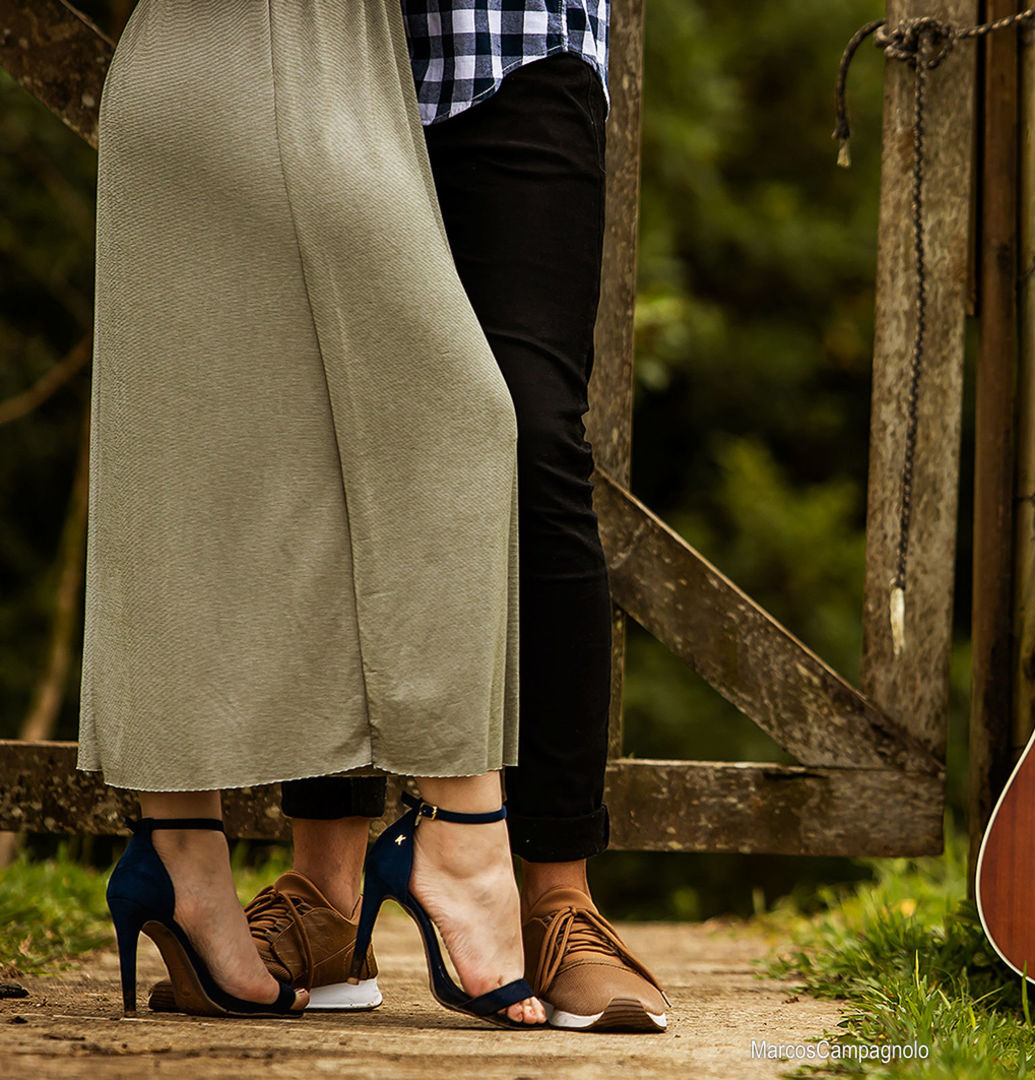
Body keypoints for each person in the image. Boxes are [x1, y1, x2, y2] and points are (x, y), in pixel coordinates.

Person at [141, 1, 669, 1033]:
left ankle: (555, 894)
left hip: (510, 42)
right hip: (311, 51)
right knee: (319, 447)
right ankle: (325, 889)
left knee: (528, 438)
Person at [81, 0, 544, 1027]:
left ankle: (179, 856)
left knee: (193, 458)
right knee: (452, 421)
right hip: (262, 60)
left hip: (302, 68)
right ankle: (463, 839)